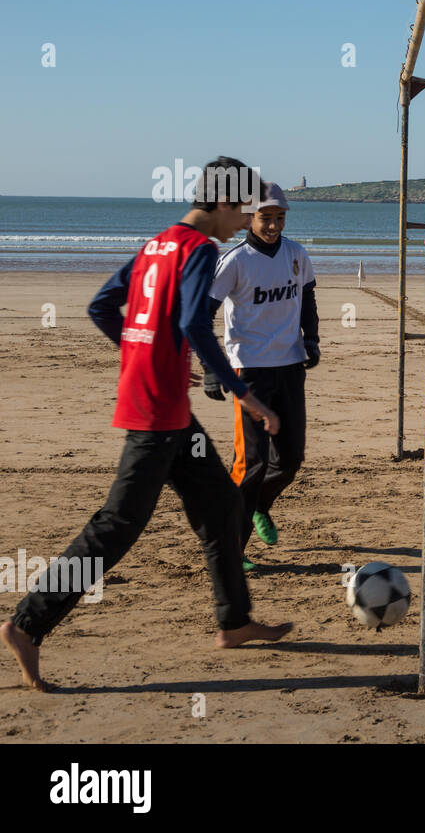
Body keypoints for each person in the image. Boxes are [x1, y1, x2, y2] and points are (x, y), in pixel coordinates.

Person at [1, 157, 293, 692]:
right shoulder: (201, 250)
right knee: (116, 527)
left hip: (170, 414)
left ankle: (234, 622)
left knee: (222, 504)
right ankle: (27, 624)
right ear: (224, 202)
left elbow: (102, 306)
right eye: (242, 209)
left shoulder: (159, 243)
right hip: (157, 416)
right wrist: (245, 394)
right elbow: (192, 324)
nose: (244, 220)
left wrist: (142, 353)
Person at [205, 182, 319, 569]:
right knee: (250, 463)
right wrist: (210, 369)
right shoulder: (234, 261)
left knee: (290, 459)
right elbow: (203, 315)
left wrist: (312, 340)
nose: (273, 226)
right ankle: (233, 551)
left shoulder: (297, 254)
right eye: (266, 218)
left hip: (289, 365)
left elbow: (308, 300)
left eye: (279, 218)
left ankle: (259, 506)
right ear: (250, 219)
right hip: (248, 370)